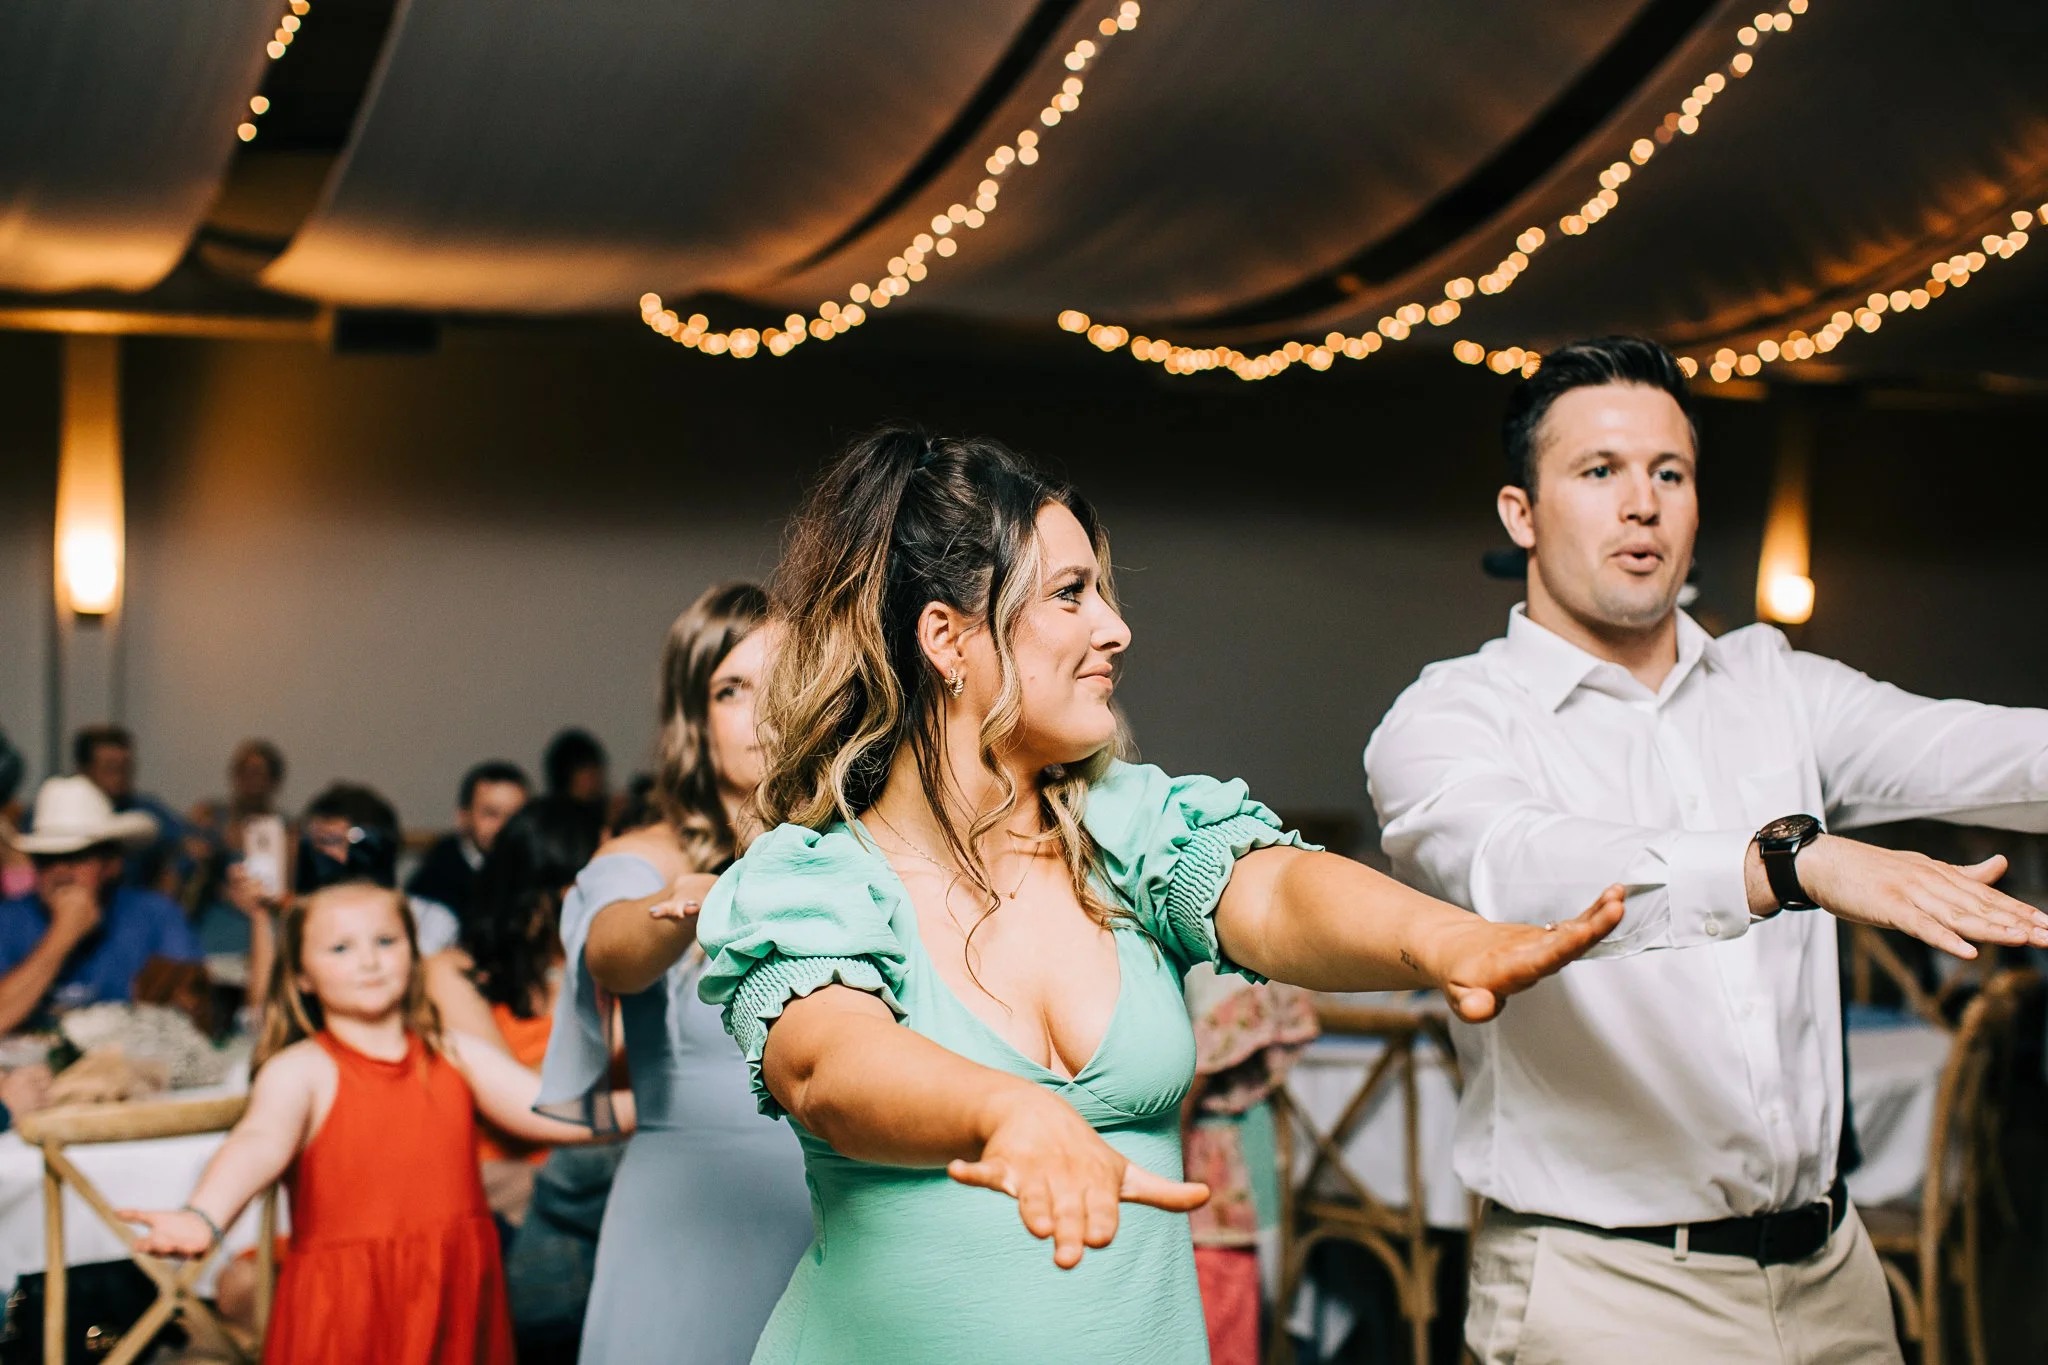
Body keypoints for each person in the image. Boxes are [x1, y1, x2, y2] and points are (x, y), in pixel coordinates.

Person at [690, 429, 1627, 1365]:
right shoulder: (816, 878)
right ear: (947, 638)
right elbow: (827, 1066)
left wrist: (1449, 939)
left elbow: (1278, 892)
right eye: (1071, 593)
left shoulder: (1125, 830)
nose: (1115, 629)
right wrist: (1004, 1111)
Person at [1363, 336, 2048, 1364]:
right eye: (1599, 471)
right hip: (1603, 1293)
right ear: (1521, 513)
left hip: (1834, 1277)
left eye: (1669, 474)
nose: (1641, 503)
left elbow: (1980, 751)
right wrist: (1787, 862)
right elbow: (1521, 867)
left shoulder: (1774, 683)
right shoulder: (1450, 717)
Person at [119, 881, 629, 1365]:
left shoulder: (453, 1052)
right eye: (340, 948)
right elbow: (259, 1140)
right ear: (301, 975)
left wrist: (652, 1106)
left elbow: (547, 1109)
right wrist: (204, 1214)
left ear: (413, 952)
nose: (368, 961)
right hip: (350, 1300)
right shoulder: (302, 1069)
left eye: (386, 941)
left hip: (453, 1285)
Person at [535, 580, 812, 1363]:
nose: (764, 712)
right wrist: (685, 904)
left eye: (785, 682)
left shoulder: (855, 851)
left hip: (840, 1212)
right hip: (688, 1219)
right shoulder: (644, 857)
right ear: (695, 715)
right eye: (732, 689)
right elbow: (611, 952)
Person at [426, 796, 597, 1217]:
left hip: (598, 1168)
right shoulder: (453, 971)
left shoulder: (603, 967)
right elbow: (517, 1100)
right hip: (504, 1182)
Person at [0, 776, 206, 1033]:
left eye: (76, 857)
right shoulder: (8, 919)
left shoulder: (156, 915)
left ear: (112, 863)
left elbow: (196, 1016)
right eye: (46, 859)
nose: (60, 871)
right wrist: (62, 935)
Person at [298, 782, 461, 957]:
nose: (323, 853)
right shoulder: (303, 918)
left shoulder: (430, 920)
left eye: (332, 841)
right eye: (315, 843)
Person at [67, 725, 187, 892]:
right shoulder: (59, 812)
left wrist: (175, 870)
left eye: (125, 768)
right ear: (85, 770)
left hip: (133, 899)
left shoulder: (144, 809)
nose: (120, 776)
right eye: (110, 768)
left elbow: (190, 842)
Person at [409, 761, 531, 925]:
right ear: (463, 818)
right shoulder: (435, 882)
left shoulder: (537, 870)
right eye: (492, 814)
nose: (504, 826)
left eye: (516, 816)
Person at [187, 738, 288, 857]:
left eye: (256, 773)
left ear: (273, 780)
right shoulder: (210, 815)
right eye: (243, 772)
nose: (250, 780)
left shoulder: (283, 827)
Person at [543, 728, 610, 833]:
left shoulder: (606, 815)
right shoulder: (552, 824)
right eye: (586, 770)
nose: (595, 778)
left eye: (596, 769)